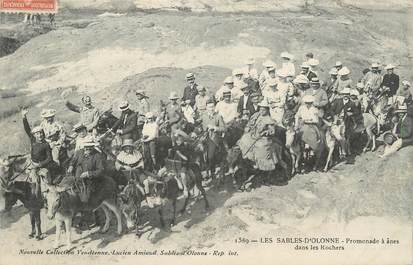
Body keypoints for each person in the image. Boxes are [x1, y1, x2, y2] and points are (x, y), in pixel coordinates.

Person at [22, 109, 61, 198]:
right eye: (37, 134)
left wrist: (40, 165)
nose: (39, 136)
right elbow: (27, 129)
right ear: (34, 135)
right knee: (32, 179)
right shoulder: (33, 141)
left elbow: (49, 158)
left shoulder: (46, 144)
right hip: (33, 164)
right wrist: (24, 117)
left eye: (41, 134)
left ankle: (48, 193)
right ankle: (33, 194)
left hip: (43, 165)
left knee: (46, 175)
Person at [238, 99, 278, 171]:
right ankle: (248, 159)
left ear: (267, 110)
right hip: (253, 135)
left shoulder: (268, 119)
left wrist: (266, 132)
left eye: (264, 110)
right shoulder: (256, 115)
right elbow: (250, 123)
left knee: (261, 147)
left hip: (263, 138)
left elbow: (272, 131)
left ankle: (261, 165)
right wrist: (248, 128)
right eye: (260, 109)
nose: (261, 111)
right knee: (244, 139)